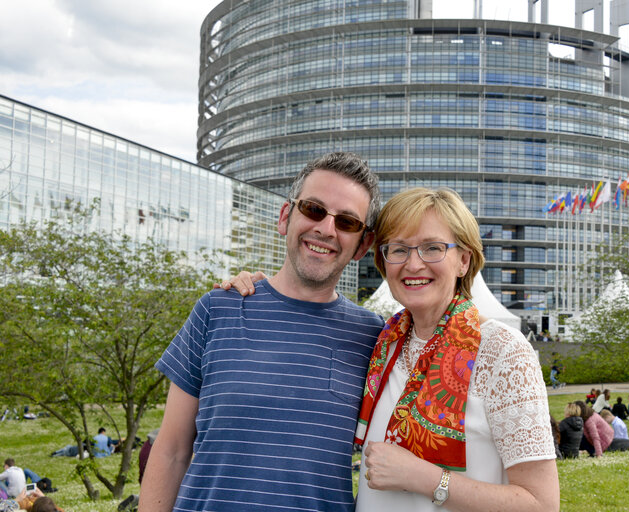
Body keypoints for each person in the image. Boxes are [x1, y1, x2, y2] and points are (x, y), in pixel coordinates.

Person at [138, 152, 385, 512]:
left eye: (346, 222)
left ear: (363, 244)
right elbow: (171, 449)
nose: (326, 229)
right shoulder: (216, 309)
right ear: (286, 216)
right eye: (314, 209)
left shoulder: (375, 338)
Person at [355, 188, 559, 510]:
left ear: (463, 260)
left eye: (432, 248)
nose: (413, 263)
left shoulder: (502, 352)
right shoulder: (380, 344)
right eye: (398, 249)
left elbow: (541, 504)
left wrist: (423, 477)